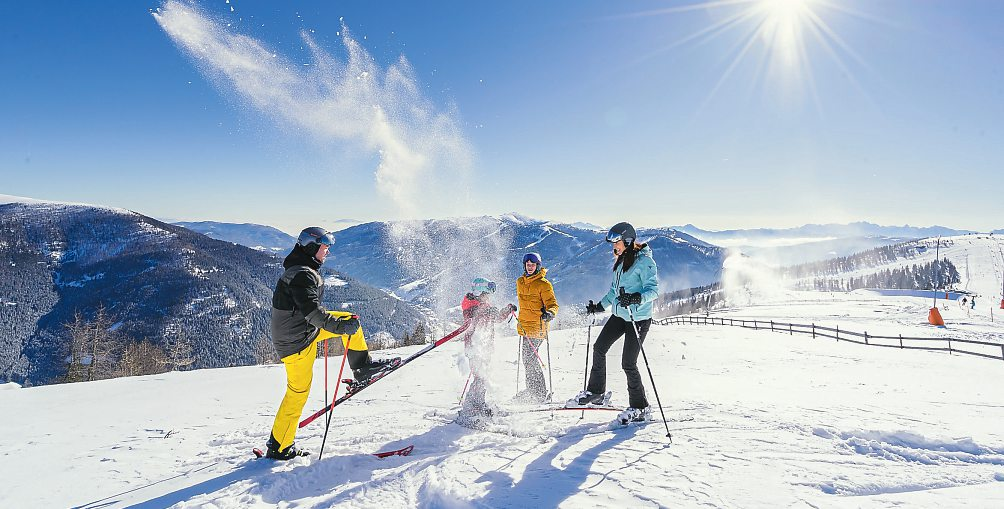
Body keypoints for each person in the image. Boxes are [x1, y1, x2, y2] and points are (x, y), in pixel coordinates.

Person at [265, 227, 397, 460]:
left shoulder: (302, 270)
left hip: (303, 331)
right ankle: (280, 447)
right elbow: (313, 314)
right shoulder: (302, 274)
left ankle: (362, 368)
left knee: (350, 321)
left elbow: (311, 313)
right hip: (297, 343)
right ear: (311, 247)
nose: (328, 251)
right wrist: (338, 328)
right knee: (297, 393)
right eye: (324, 247)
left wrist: (341, 326)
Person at [570, 222, 659, 424]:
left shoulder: (645, 262)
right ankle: (596, 392)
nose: (613, 246)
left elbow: (653, 291)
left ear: (627, 241)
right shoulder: (621, 260)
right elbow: (613, 292)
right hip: (620, 315)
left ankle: (640, 407)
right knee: (599, 348)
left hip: (638, 318)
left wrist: (636, 298)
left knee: (628, 363)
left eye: (616, 242)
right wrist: (599, 306)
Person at [458, 277, 516, 426]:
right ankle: (470, 409)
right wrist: (485, 311)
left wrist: (507, 310)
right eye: (486, 294)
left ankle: (479, 404)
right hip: (474, 348)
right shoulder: (470, 303)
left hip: (486, 347)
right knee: (480, 377)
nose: (488, 297)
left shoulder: (485, 304)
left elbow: (496, 318)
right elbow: (471, 317)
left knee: (484, 376)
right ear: (479, 293)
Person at [513, 252, 559, 403]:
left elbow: (552, 304)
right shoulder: (520, 281)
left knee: (530, 359)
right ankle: (532, 390)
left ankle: (538, 393)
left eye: (533, 265)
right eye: (528, 265)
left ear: (538, 266)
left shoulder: (544, 284)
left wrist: (550, 313)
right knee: (527, 360)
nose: (530, 267)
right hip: (525, 327)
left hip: (538, 327)